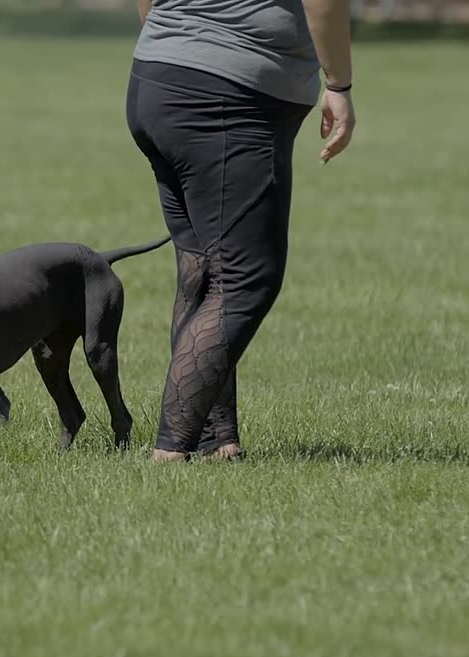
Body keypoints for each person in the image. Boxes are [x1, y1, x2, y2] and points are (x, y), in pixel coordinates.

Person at [126, 0, 356, 462]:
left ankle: (217, 440)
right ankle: (170, 452)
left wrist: (177, 42)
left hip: (158, 78)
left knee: (202, 270)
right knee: (245, 281)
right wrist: (339, 84)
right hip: (228, 96)